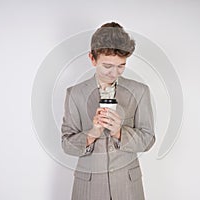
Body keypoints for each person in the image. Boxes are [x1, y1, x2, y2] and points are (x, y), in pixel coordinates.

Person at [61, 22, 155, 200]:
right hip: (88, 189)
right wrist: (92, 134)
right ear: (92, 58)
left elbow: (148, 139)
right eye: (107, 66)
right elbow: (67, 144)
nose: (114, 73)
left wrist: (120, 133)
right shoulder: (74, 94)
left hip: (128, 187)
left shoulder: (140, 91)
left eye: (121, 65)